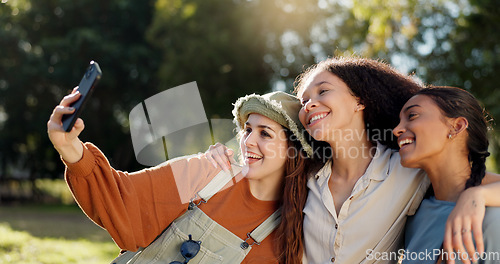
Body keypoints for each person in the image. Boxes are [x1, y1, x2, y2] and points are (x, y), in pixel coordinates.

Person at [205, 56, 500, 264]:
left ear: (360, 100)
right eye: (305, 101)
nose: (310, 104)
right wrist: (216, 157)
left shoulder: (407, 169)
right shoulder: (302, 174)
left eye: (323, 91)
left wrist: (476, 196)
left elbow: (465, 177)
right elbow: (253, 162)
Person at [47, 89, 313, 264]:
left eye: (265, 133)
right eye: (247, 129)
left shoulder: (295, 230)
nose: (248, 141)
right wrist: (69, 146)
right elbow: (121, 198)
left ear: (293, 151)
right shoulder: (206, 172)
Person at [394, 86, 500, 264]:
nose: (396, 129)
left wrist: (475, 195)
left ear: (457, 126)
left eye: (412, 116)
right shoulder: (414, 215)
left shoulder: (491, 219)